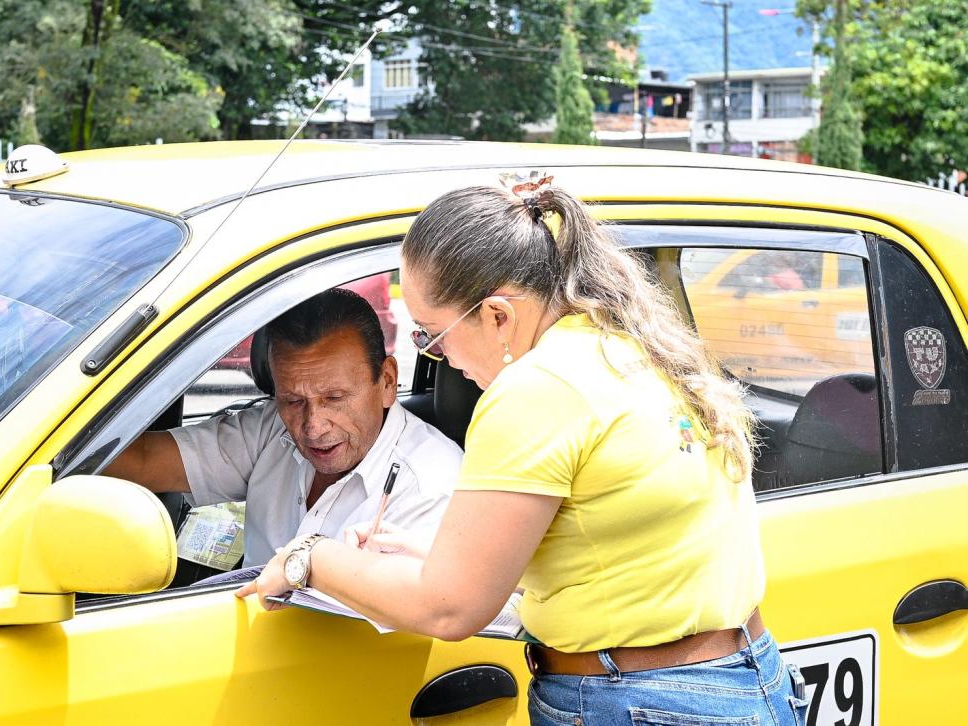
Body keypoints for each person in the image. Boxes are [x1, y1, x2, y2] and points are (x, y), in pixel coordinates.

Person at [239, 182, 808, 724]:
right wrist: (437, 557)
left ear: (497, 316)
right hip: (737, 676)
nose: (440, 359)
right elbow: (607, 544)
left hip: (638, 697)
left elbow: (448, 609)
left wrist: (309, 557)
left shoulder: (536, 390)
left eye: (431, 335)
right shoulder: (622, 346)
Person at [106, 288, 461, 567]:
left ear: (386, 382)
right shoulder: (269, 430)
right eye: (292, 401)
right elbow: (144, 460)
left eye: (335, 398)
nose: (313, 426)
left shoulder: (432, 486)